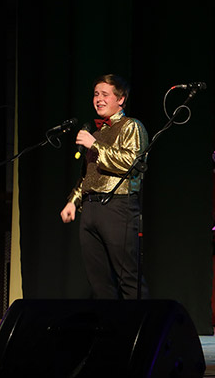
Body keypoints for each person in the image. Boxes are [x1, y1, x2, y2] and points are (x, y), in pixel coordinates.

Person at [60, 74, 149, 299]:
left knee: (128, 277)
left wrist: (95, 145)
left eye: (105, 94)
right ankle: (110, 321)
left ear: (121, 99)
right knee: (99, 282)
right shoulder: (97, 133)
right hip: (90, 209)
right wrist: (73, 201)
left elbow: (132, 164)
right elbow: (88, 174)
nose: (98, 99)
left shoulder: (131, 126)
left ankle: (141, 321)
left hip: (117, 206)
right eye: (96, 94)